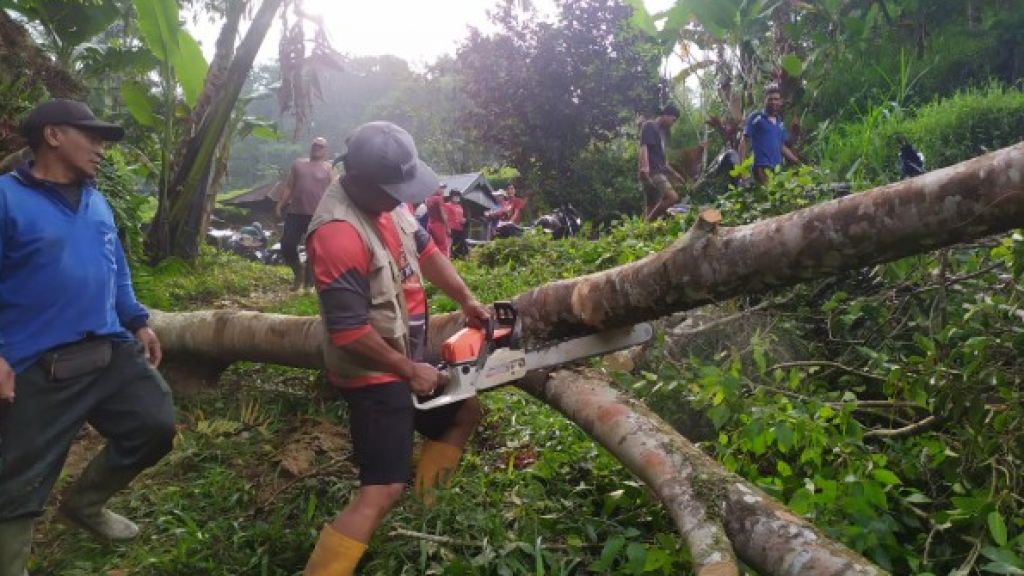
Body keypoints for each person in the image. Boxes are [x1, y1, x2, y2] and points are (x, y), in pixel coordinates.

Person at [301, 121, 490, 576]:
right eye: (391, 190)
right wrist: (408, 370)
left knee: (465, 412)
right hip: (374, 372)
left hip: (406, 353)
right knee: (382, 489)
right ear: (361, 180)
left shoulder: (391, 208)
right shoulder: (337, 232)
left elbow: (428, 253)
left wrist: (466, 299)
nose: (399, 196)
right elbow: (348, 332)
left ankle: (426, 506)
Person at [0, 99, 177, 576]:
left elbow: (114, 264)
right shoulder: (5, 199)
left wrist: (137, 320)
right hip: (35, 362)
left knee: (155, 424)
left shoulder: (97, 200)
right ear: (53, 135)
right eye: (91, 136)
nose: (100, 149)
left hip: (108, 346)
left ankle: (85, 503)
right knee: (16, 484)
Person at [276, 137, 333, 290]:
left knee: (314, 250)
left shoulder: (329, 169)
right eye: (315, 145)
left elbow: (334, 192)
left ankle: (308, 284)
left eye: (321, 146)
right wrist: (280, 204)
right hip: (295, 212)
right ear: (311, 146)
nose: (317, 148)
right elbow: (289, 186)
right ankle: (298, 273)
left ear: (325, 150)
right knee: (287, 244)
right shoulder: (298, 164)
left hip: (317, 216)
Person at [739, 84, 801, 185]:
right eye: (770, 99)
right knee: (768, 193)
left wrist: (797, 162)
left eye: (776, 99)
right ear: (764, 100)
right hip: (761, 167)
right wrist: (742, 169)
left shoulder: (780, 122)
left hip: (777, 168)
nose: (773, 102)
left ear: (780, 101)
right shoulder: (756, 117)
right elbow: (744, 142)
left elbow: (782, 146)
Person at [638, 103, 686, 221]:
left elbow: (663, 162)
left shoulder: (661, 134)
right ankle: (647, 223)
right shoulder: (650, 125)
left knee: (651, 205)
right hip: (653, 172)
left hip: (657, 170)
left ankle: (641, 233)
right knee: (672, 197)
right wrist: (645, 168)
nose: (672, 124)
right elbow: (644, 147)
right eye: (673, 120)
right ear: (666, 115)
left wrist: (676, 175)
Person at [424, 185, 450, 257]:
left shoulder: (427, 199)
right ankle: (444, 266)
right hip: (439, 225)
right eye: (441, 189)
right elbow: (443, 215)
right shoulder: (439, 199)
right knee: (443, 248)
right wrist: (448, 228)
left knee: (432, 247)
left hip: (430, 224)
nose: (443, 191)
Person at [445, 189, 467, 258]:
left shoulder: (459, 206)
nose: (457, 197)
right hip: (451, 229)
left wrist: (464, 220)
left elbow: (461, 217)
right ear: (451, 196)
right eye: (455, 195)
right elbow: (445, 218)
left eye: (458, 195)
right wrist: (447, 228)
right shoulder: (447, 205)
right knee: (451, 247)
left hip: (460, 229)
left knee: (460, 247)